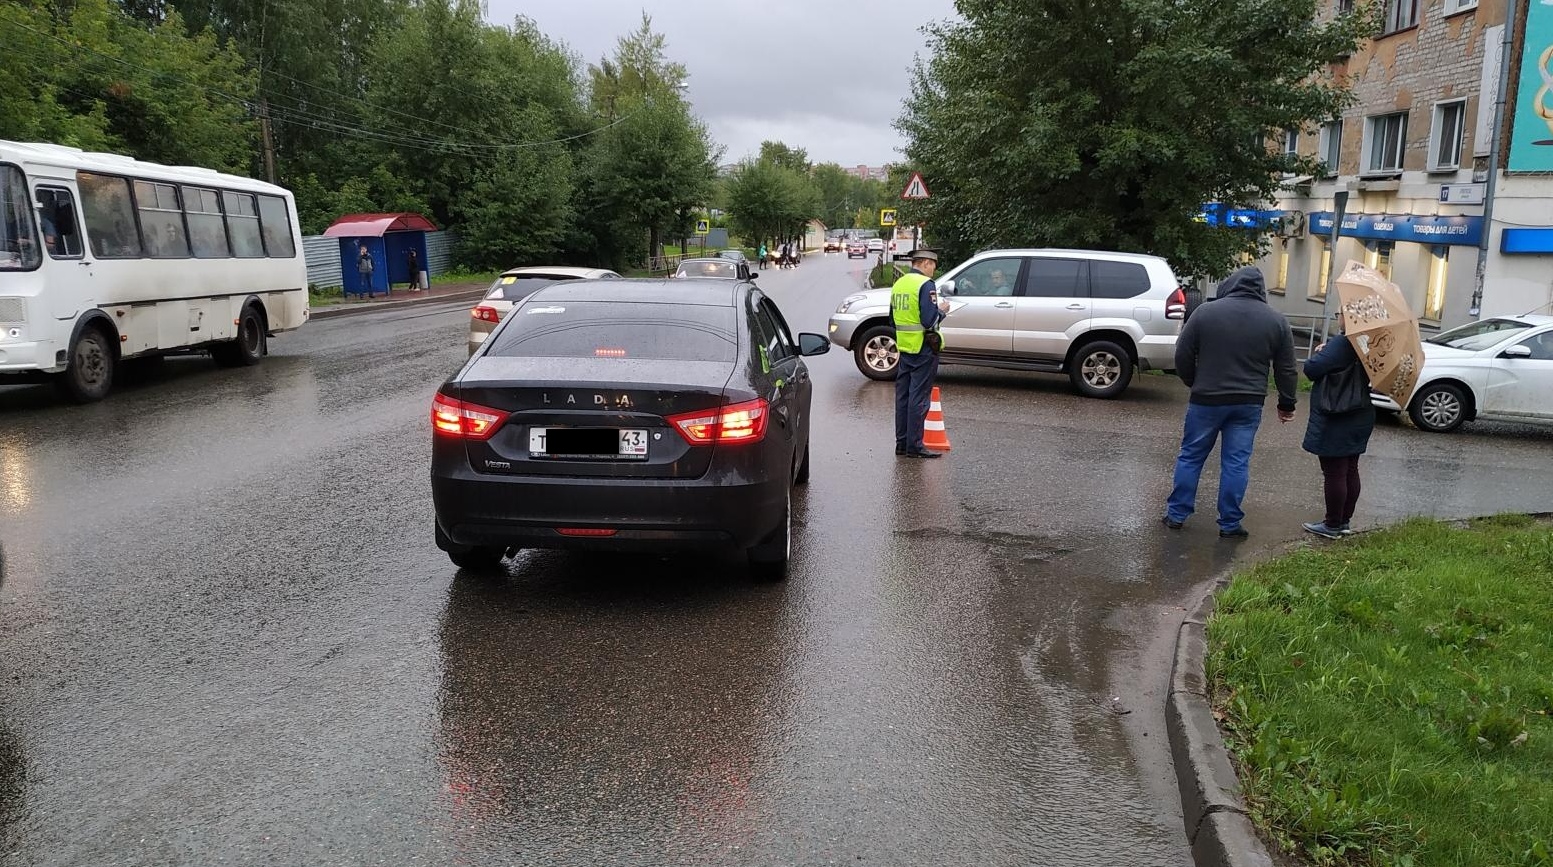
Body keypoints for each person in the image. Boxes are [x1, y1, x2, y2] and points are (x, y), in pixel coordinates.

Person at [1163, 266, 1297, 537]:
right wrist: (1287, 404)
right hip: (1248, 402)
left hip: (1206, 399)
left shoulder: (1205, 313)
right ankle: (1230, 523)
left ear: (1231, 284)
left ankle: (1177, 514)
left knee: (1191, 456)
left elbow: (1182, 354)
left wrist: (1193, 382)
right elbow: (1287, 368)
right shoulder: (1276, 320)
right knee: (1236, 462)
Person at [1300, 315, 1375, 539]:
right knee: (1350, 468)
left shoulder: (1344, 342)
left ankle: (1332, 524)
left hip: (1337, 412)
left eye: (1339, 314)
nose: (1338, 318)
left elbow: (1312, 369)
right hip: (1360, 411)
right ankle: (1343, 521)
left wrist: (1322, 353)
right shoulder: (1371, 343)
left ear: (1349, 316)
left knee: (1334, 471)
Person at [893, 249, 950, 459]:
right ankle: (915, 446)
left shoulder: (899, 283)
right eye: (933, 265)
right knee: (919, 398)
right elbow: (929, 320)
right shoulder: (925, 285)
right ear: (925, 263)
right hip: (924, 348)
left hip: (905, 346)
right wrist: (942, 311)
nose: (934, 269)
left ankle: (902, 443)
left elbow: (891, 318)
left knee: (903, 397)